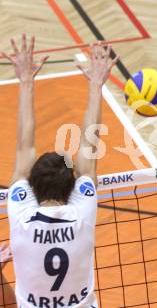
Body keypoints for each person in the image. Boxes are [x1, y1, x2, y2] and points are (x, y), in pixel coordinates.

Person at [3, 34, 118, 307]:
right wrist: (95, 86)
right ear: (72, 186)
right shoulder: (82, 213)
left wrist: (26, 81)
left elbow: (24, 148)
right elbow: (89, 147)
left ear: (32, 184)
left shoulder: (21, 214)